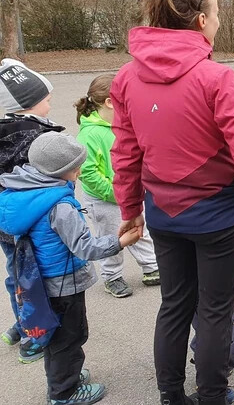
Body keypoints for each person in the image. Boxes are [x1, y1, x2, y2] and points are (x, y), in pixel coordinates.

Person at [110, 0, 234, 405]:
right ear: (201, 21)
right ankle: (213, 396)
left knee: (174, 305)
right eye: (216, 14)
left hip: (163, 212)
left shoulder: (125, 78)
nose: (217, 22)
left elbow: (125, 154)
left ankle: (170, 396)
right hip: (219, 214)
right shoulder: (216, 78)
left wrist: (130, 211)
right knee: (216, 310)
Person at [0, 132, 141, 405]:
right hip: (64, 283)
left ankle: (63, 378)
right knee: (70, 337)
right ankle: (65, 393)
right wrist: (121, 241)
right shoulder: (60, 205)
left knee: (56, 337)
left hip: (41, 281)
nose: (79, 171)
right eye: (76, 167)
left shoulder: (23, 191)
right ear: (60, 171)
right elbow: (85, 248)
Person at [0, 58, 63, 363]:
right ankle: (33, 334)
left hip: (7, 223)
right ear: (30, 103)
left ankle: (20, 322)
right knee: (33, 279)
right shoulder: (33, 136)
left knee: (15, 274)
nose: (51, 106)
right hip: (31, 224)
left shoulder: (5, 131)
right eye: (47, 101)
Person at [74, 74, 160, 299]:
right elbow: (88, 173)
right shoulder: (89, 134)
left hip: (125, 194)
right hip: (104, 199)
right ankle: (112, 276)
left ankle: (151, 265)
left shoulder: (120, 127)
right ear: (110, 102)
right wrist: (116, 193)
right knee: (111, 236)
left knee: (139, 231)